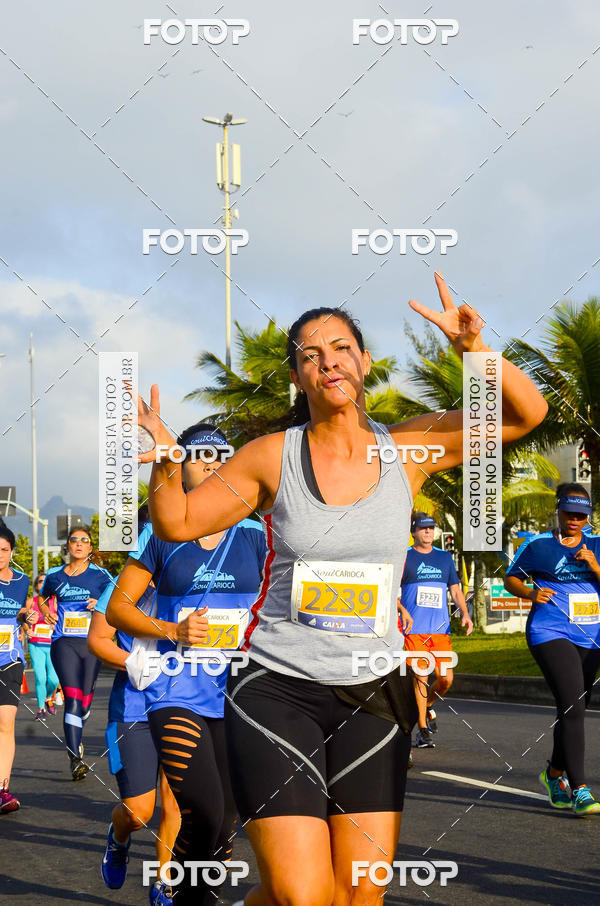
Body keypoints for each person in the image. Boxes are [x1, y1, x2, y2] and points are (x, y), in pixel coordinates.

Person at [138, 272, 547, 905]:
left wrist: (474, 348)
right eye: (310, 354)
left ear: (365, 362)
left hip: (374, 695)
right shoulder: (272, 455)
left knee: (357, 895)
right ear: (299, 378)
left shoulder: (408, 449)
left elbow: (526, 413)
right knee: (305, 895)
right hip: (277, 688)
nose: (328, 361)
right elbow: (177, 521)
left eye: (341, 348)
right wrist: (166, 462)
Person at [106, 423, 267, 906]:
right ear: (183, 465)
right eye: (200, 455)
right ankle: (170, 883)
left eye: (223, 455)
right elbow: (118, 610)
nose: (213, 462)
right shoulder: (161, 534)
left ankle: (195, 897)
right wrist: (171, 631)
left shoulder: (257, 535)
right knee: (201, 806)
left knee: (225, 823)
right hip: (174, 691)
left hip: (238, 694)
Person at [88, 508, 180, 906]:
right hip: (135, 705)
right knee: (140, 811)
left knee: (175, 799)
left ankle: (165, 881)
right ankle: (119, 835)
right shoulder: (123, 584)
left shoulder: (193, 575)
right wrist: (134, 663)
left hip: (186, 699)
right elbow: (98, 639)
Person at [505, 483, 600, 817]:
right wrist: (531, 594)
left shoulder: (598, 545)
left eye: (581, 516)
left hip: (591, 637)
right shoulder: (538, 545)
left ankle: (553, 774)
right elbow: (511, 578)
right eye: (570, 514)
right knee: (573, 705)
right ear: (558, 511)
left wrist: (595, 566)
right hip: (550, 631)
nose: (575, 520)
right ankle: (581, 790)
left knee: (574, 708)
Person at [39, 527, 112, 780]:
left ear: (91, 548)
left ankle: (77, 732)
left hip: (92, 644)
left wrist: (100, 604)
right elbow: (42, 598)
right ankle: (75, 759)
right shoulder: (55, 576)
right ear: (67, 546)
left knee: (85, 702)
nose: (79, 544)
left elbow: (119, 601)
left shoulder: (101, 576)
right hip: (64, 643)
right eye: (74, 540)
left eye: (85, 541)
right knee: (72, 698)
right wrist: (47, 610)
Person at [398, 513, 473, 749]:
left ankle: (428, 705)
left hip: (440, 630)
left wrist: (465, 612)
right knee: (421, 677)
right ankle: (422, 729)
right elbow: (389, 590)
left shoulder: (444, 558)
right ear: (414, 532)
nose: (428, 532)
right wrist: (401, 609)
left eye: (431, 528)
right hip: (414, 631)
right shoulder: (404, 558)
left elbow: (455, 589)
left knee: (445, 679)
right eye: (423, 529)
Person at [0, 527, 31, 813]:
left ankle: (2, 790)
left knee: (5, 723)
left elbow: (20, 610)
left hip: (10, 660)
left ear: (11, 551)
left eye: (4, 549)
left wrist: (26, 614)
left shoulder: (22, 581)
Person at [25, 574, 60, 720]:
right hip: (36, 645)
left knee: (53, 679)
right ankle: (41, 709)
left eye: (46, 581)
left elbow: (62, 618)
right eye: (40, 581)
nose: (43, 583)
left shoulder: (56, 602)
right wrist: (27, 629)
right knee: (40, 677)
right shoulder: (31, 602)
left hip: (52, 645)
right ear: (36, 585)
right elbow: (23, 619)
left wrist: (55, 625)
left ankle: (47, 697)